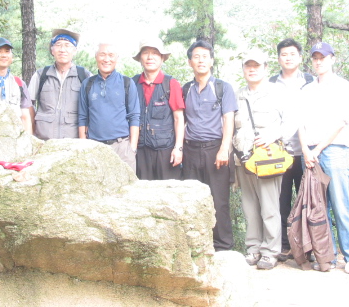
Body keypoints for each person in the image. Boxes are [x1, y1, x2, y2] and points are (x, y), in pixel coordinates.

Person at [298, 41, 349, 274]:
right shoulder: (306, 90)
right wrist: (306, 150)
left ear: (332, 59)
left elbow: (341, 122)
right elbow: (300, 123)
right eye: (315, 58)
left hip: (334, 150)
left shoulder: (342, 86)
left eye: (323, 58)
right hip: (310, 152)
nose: (319, 62)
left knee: (341, 204)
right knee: (319, 207)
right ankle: (328, 257)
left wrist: (317, 149)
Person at [182, 40, 238, 252]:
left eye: (205, 56)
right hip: (190, 150)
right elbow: (181, 120)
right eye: (196, 57)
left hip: (215, 149)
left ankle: (223, 246)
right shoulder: (186, 89)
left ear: (211, 61)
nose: (200, 61)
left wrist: (224, 149)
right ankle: (196, 245)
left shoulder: (223, 88)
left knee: (219, 200)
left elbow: (228, 119)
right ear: (190, 62)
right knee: (192, 199)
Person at [233, 49, 286, 270]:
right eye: (248, 66)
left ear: (265, 68)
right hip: (243, 160)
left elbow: (291, 122)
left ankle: (270, 251)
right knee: (249, 206)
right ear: (243, 69)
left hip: (267, 159)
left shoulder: (277, 92)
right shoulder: (237, 95)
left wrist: (273, 135)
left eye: (257, 65)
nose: (252, 69)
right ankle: (253, 248)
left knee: (269, 207)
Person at [269, 38, 314, 261]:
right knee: (281, 201)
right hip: (281, 151)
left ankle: (309, 248)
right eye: (284, 54)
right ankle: (284, 246)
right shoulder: (270, 83)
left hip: (308, 152)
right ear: (278, 58)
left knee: (309, 201)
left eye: (292, 54)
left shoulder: (310, 81)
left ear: (300, 57)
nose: (288, 58)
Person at [78, 42, 140, 172]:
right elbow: (82, 118)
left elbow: (134, 117)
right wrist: (84, 148)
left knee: (126, 184)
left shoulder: (126, 83)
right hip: (94, 147)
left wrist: (132, 148)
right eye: (102, 54)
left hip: (122, 147)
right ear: (96, 57)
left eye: (111, 55)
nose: (106, 59)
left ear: (117, 58)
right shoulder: (87, 84)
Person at [132, 38, 185, 180]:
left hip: (166, 151)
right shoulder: (133, 84)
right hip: (140, 151)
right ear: (140, 58)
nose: (150, 57)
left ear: (162, 58)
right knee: (142, 190)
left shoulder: (171, 84)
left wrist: (178, 148)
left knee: (169, 190)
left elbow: (178, 118)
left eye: (155, 53)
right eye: (146, 53)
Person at [28, 29, 91, 140]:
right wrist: (32, 132)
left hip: (73, 142)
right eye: (58, 45)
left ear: (75, 51)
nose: (62, 50)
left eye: (67, 45)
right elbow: (28, 105)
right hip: (43, 141)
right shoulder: (41, 75)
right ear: (52, 50)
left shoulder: (84, 75)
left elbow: (93, 108)